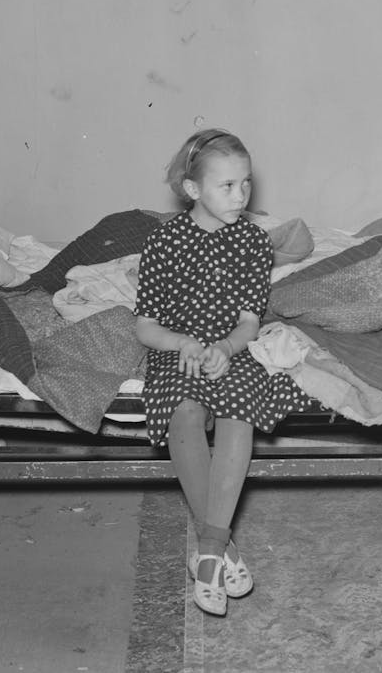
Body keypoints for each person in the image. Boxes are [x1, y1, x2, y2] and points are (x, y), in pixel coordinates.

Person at [134, 128, 310, 616]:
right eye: (226, 186)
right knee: (184, 413)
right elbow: (146, 326)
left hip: (232, 350)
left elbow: (250, 321)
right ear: (193, 190)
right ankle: (223, 547)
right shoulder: (164, 241)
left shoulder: (253, 241)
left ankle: (207, 552)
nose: (241, 196)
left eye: (246, 184)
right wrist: (184, 344)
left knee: (238, 413)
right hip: (178, 349)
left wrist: (229, 349)